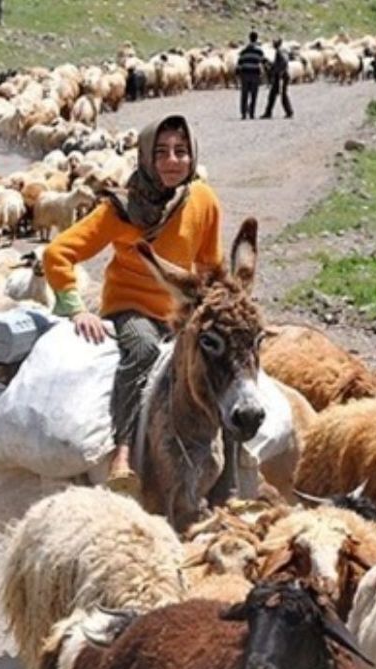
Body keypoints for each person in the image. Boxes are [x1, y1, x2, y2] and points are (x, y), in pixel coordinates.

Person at [44, 115, 222, 498]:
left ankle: (230, 474)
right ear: (144, 157)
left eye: (181, 151)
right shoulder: (120, 210)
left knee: (225, 361)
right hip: (131, 309)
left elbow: (209, 264)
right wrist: (76, 308)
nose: (172, 161)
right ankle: (121, 452)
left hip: (178, 312)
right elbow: (59, 252)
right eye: (161, 153)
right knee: (141, 349)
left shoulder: (203, 200)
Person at [236, 31, 265, 120]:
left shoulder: (243, 51)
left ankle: (244, 113)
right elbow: (263, 61)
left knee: (244, 94)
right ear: (256, 39)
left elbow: (239, 64)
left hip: (245, 75)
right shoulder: (259, 51)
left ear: (249, 38)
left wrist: (238, 76)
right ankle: (252, 113)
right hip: (255, 75)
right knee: (254, 95)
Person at [262, 38, 293, 119]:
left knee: (280, 94)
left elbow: (283, 63)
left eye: (274, 43)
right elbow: (279, 64)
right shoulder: (281, 51)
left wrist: (279, 72)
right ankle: (270, 112)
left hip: (280, 76)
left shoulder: (279, 52)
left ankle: (288, 112)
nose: (273, 44)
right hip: (281, 75)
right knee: (274, 94)